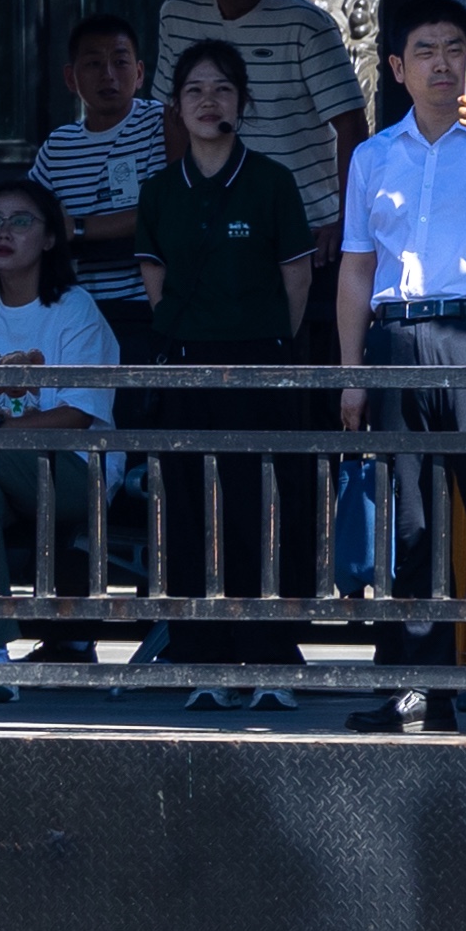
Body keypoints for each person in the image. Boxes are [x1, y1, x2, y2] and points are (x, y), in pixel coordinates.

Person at [336, 0, 466, 735]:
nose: (442, 62)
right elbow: (357, 266)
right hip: (396, 339)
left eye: (456, 48)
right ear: (396, 67)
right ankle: (416, 685)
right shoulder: (373, 155)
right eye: (425, 50)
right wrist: (353, 371)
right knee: (409, 523)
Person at [132, 39, 320, 686]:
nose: (208, 101)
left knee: (261, 505)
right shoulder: (160, 190)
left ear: (243, 101)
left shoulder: (271, 181)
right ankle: (199, 654)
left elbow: (297, 280)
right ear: (176, 106)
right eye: (194, 90)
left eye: (222, 89)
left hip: (260, 367)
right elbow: (155, 283)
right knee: (187, 509)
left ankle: (269, 652)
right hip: (186, 367)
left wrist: (264, 345)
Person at [150, 0, 373, 315]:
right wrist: (184, 204)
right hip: (213, 223)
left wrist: (346, 221)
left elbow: (352, 125)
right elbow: (173, 115)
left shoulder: (307, 25)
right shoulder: (177, 15)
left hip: (305, 227)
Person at [0, 173, 123, 675]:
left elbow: (77, 415)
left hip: (76, 471)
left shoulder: (74, 309)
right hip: (0, 469)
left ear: (50, 237)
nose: (3, 233)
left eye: (21, 221)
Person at [28, 11, 163, 343]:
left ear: (140, 73)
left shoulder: (160, 124)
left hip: (153, 306)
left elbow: (161, 211)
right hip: (82, 312)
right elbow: (30, 213)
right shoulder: (58, 146)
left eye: (120, 62)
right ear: (70, 78)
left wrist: (77, 228)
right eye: (93, 64)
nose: (108, 75)